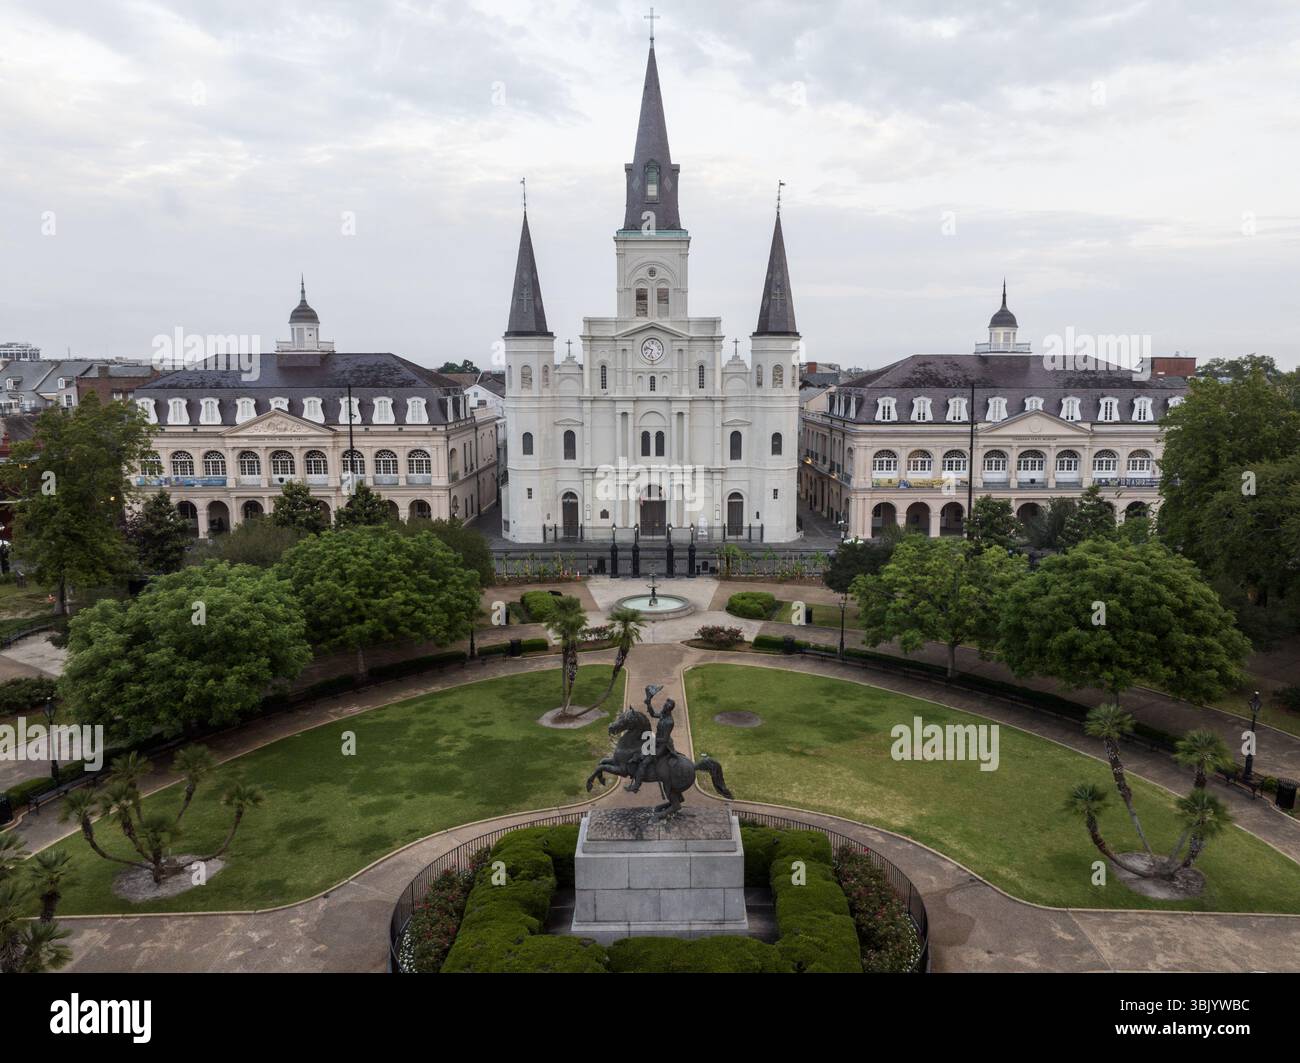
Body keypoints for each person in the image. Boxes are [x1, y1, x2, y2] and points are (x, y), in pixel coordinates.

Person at [625, 697, 677, 794]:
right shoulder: (663, 715)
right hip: (656, 742)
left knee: (644, 762)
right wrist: (648, 704)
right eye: (664, 705)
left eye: (665, 706)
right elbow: (653, 714)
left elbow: (665, 739)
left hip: (662, 746)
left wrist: (652, 739)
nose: (663, 707)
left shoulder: (669, 722)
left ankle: (636, 786)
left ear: (669, 709)